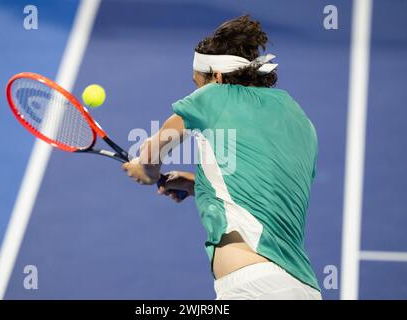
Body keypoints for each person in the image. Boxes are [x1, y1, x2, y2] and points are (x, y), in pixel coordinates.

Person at [122, 15, 321, 300]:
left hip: (252, 287)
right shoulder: (300, 119)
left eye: (197, 83)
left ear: (216, 77)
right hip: (304, 288)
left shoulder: (213, 96)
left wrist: (147, 171)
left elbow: (153, 151)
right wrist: (198, 185)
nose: (196, 91)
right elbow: (269, 186)